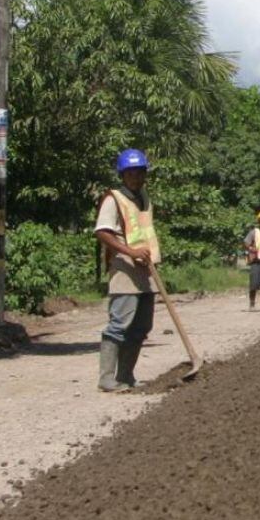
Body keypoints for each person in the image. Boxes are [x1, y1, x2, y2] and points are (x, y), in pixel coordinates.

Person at [93, 148, 159, 393]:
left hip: (146, 269)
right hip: (124, 269)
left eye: (140, 172)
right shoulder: (113, 199)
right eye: (131, 173)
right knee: (119, 324)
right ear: (122, 175)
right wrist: (130, 252)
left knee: (142, 326)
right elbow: (102, 232)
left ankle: (126, 375)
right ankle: (107, 378)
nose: (136, 177)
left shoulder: (144, 197)